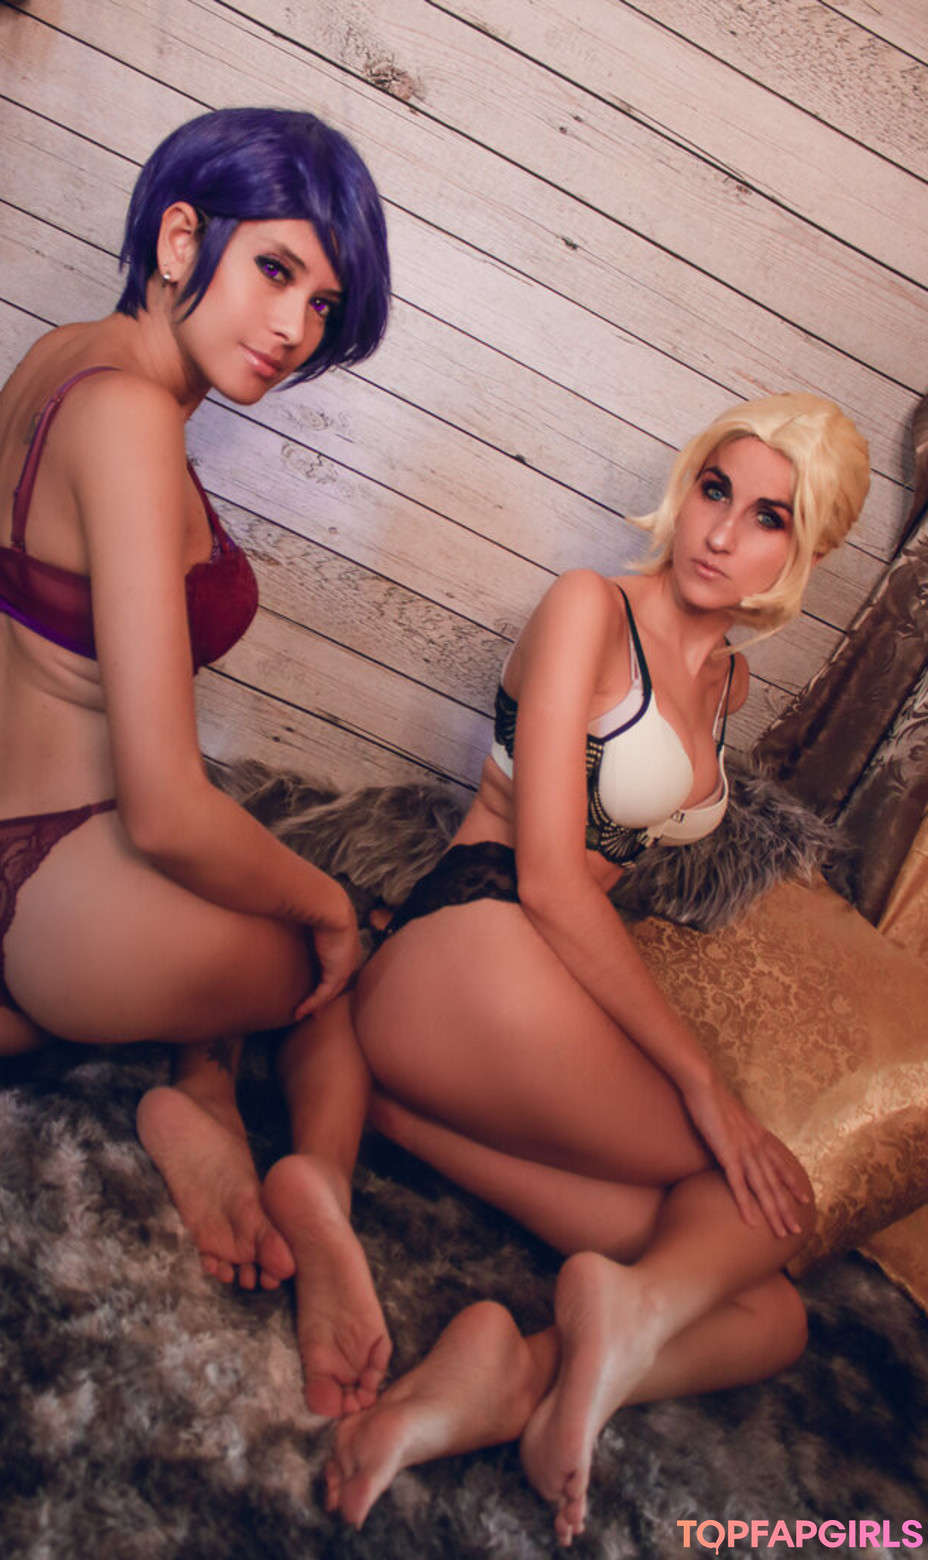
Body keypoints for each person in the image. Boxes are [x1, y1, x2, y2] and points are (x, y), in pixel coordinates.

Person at [0, 108, 393, 1415]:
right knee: (347, 968)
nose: (294, 327)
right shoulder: (137, 425)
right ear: (180, 237)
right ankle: (307, 1182)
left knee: (242, 903)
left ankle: (196, 1092)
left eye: (323, 303)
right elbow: (164, 809)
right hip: (70, 909)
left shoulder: (56, 362)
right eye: (277, 270)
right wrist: (330, 907)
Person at [317, 394, 871, 1541]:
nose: (721, 532)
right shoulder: (591, 608)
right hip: (467, 937)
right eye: (715, 490)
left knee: (770, 1312)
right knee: (761, 1195)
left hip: (524, 998)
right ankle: (609, 1313)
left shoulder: (728, 686)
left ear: (805, 553)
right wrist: (703, 1088)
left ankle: (511, 1379)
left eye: (768, 517)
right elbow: (551, 882)